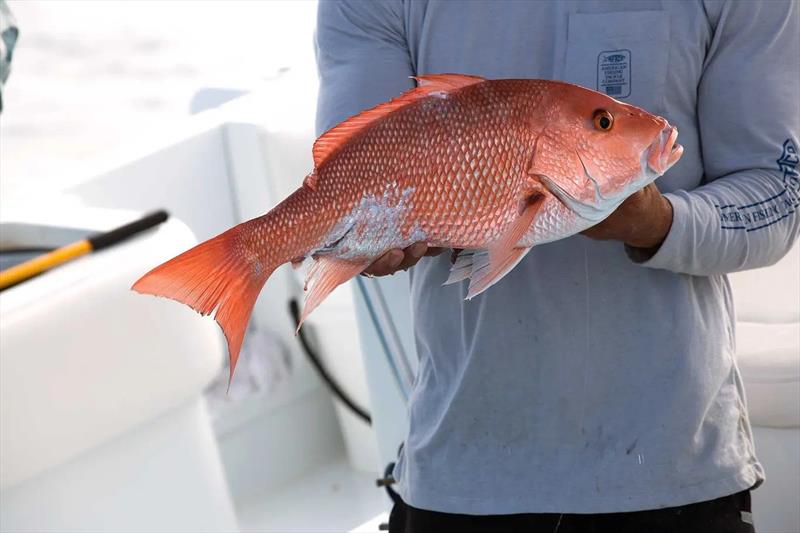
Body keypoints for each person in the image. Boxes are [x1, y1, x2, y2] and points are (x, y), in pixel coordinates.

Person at [315, 1, 799, 532]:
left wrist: (656, 222)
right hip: (461, 468)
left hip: (674, 468)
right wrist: (385, 229)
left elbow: (776, 194)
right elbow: (346, 175)